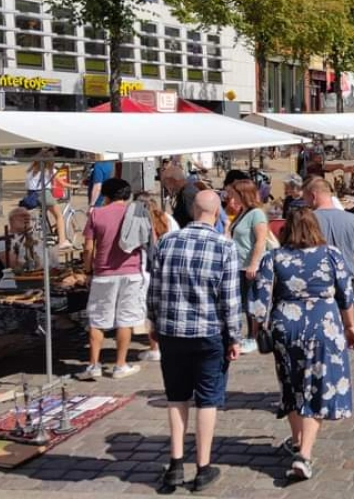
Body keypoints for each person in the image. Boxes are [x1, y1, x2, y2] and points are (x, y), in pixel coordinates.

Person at [252, 208, 354, 482]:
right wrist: (350, 326)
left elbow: (259, 302)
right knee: (317, 389)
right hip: (323, 324)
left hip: (286, 325)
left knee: (291, 384)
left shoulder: (274, 258)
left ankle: (298, 440)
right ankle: (304, 455)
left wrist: (257, 331)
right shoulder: (330, 254)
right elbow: (346, 294)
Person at [147, 189, 241, 493]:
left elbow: (155, 289)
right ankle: (203, 465)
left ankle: (175, 463)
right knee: (207, 399)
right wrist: (235, 336)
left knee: (176, 397)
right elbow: (230, 299)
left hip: (172, 331)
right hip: (208, 332)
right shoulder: (224, 246)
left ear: (191, 210)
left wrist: (153, 323)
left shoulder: (167, 242)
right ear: (217, 213)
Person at [76, 178, 145, 380]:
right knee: (125, 320)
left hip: (104, 273)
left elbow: (88, 248)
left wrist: (87, 270)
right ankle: (120, 365)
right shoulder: (137, 212)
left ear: (105, 195)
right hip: (131, 271)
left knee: (97, 320)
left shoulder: (96, 214)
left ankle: (93, 365)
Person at [305, 178, 354, 311]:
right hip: (346, 282)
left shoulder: (307, 221)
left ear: (313, 196)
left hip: (316, 284)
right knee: (346, 325)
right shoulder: (353, 220)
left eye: (305, 198)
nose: (305, 203)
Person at [226, 179, 270, 355]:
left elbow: (260, 240)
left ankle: (255, 336)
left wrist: (254, 263)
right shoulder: (242, 213)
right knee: (246, 302)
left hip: (251, 266)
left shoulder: (256, 214)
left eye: (234, 194)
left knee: (253, 302)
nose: (231, 198)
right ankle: (250, 334)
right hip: (240, 265)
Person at [133, 192, 177, 363]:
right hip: (168, 268)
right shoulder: (168, 219)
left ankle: (155, 347)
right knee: (165, 308)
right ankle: (166, 343)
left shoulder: (137, 222)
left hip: (146, 270)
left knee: (151, 311)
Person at [26, 154, 71, 249]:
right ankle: (62, 241)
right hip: (44, 195)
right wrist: (76, 186)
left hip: (32, 196)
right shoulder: (49, 171)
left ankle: (46, 234)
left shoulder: (30, 171)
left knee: (43, 215)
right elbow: (62, 183)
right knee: (59, 216)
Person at [0, 207, 45, 273]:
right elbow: (13, 265)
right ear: (12, 220)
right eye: (22, 216)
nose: (27, 218)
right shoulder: (3, 239)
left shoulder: (34, 236)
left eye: (28, 216)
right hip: (15, 279)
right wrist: (36, 264)